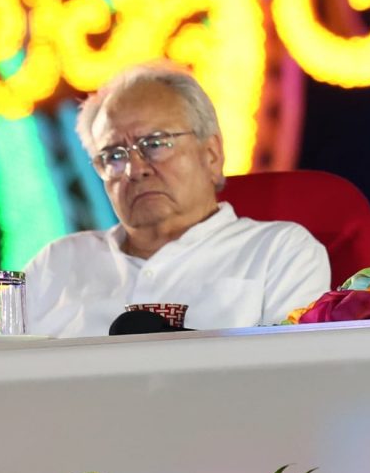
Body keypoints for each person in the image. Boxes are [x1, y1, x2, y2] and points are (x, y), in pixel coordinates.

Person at [23, 65, 329, 336]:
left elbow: (293, 383)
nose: (135, 169)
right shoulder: (56, 264)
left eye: (155, 144)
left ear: (211, 154)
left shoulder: (280, 252)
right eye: (114, 156)